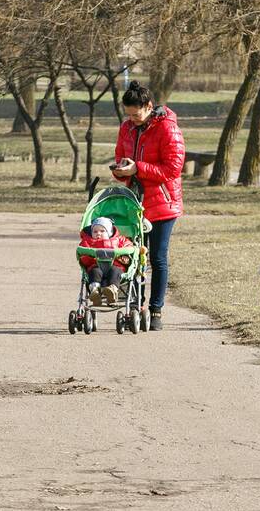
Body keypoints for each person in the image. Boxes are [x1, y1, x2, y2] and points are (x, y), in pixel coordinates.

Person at [111, 82, 184, 331]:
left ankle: (156, 310)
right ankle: (135, 305)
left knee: (157, 257)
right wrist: (121, 170)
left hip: (163, 203)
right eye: (128, 114)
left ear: (149, 107)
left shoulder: (167, 128)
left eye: (136, 114)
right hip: (135, 202)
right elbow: (121, 156)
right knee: (133, 257)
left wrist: (138, 168)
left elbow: (173, 169)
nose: (132, 119)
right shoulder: (127, 128)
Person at [78, 217, 133, 306]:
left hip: (115, 265)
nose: (98, 234)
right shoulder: (88, 242)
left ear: (110, 232)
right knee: (94, 271)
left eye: (102, 231)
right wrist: (90, 255)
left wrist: (124, 256)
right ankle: (95, 291)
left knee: (115, 271)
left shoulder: (119, 240)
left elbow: (129, 247)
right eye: (95, 231)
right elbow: (83, 255)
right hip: (96, 265)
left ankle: (112, 290)